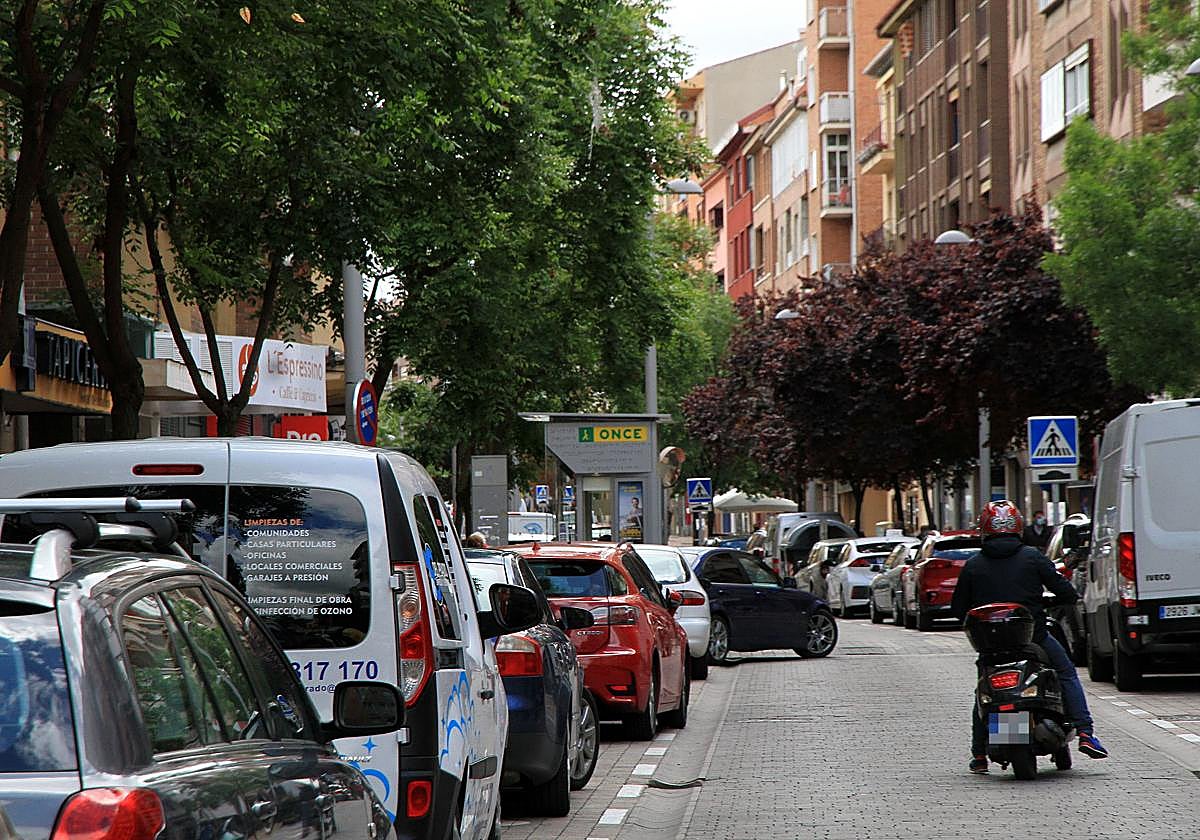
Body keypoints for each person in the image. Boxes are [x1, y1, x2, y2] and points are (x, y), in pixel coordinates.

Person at [951, 500, 1108, 774]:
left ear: (985, 529)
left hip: (991, 648)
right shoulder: (1032, 557)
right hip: (1033, 638)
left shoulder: (974, 565)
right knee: (1066, 673)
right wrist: (1055, 600)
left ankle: (978, 754)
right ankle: (1085, 732)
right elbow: (1065, 592)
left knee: (984, 691)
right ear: (1017, 526)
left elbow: (957, 608)